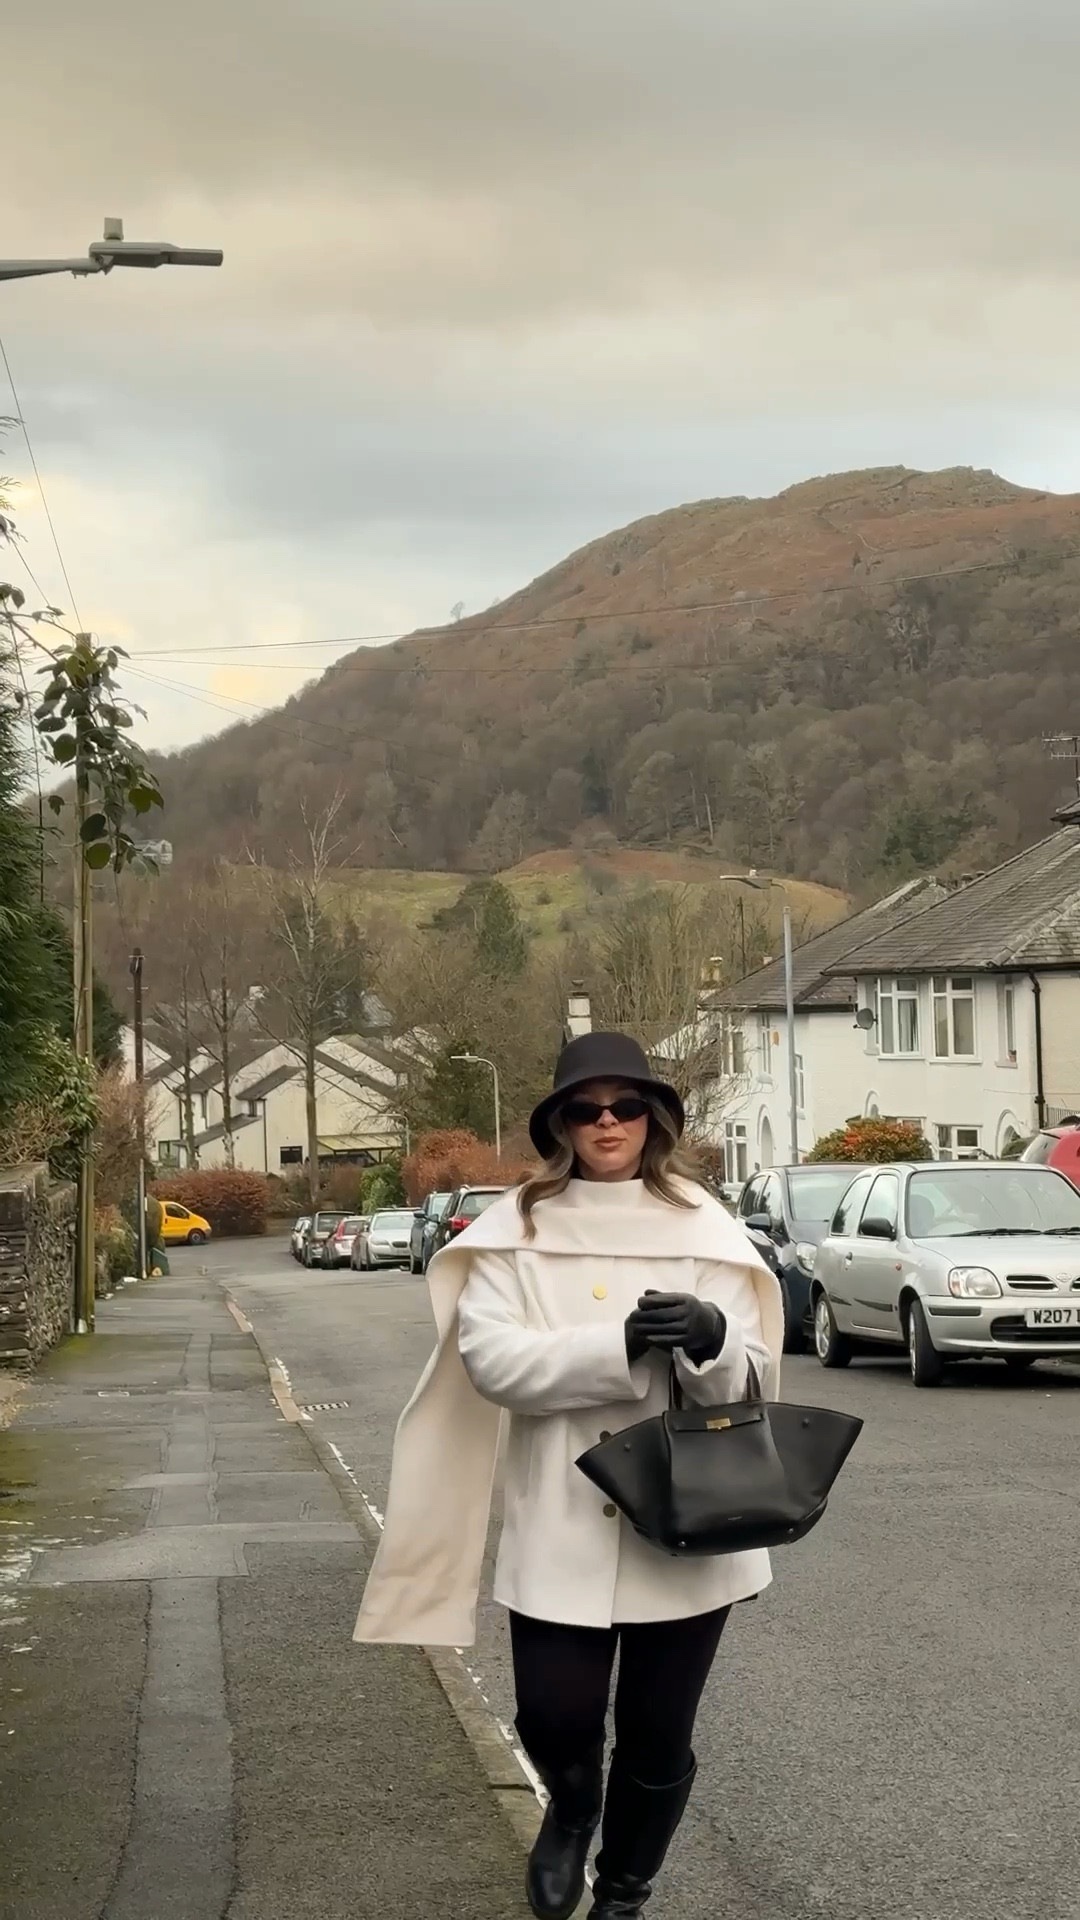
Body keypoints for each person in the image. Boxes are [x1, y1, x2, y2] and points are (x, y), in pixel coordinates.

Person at [355, 1031, 783, 1919]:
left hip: (685, 1522)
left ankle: (624, 1890)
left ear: (654, 1118)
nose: (607, 1122)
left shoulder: (704, 1225)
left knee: (659, 1733)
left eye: (625, 1106)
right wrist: (617, 1345)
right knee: (554, 1714)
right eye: (586, 1109)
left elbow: (750, 1382)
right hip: (560, 1510)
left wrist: (710, 1340)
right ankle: (572, 1810)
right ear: (560, 1124)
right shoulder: (517, 1229)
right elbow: (493, 1363)